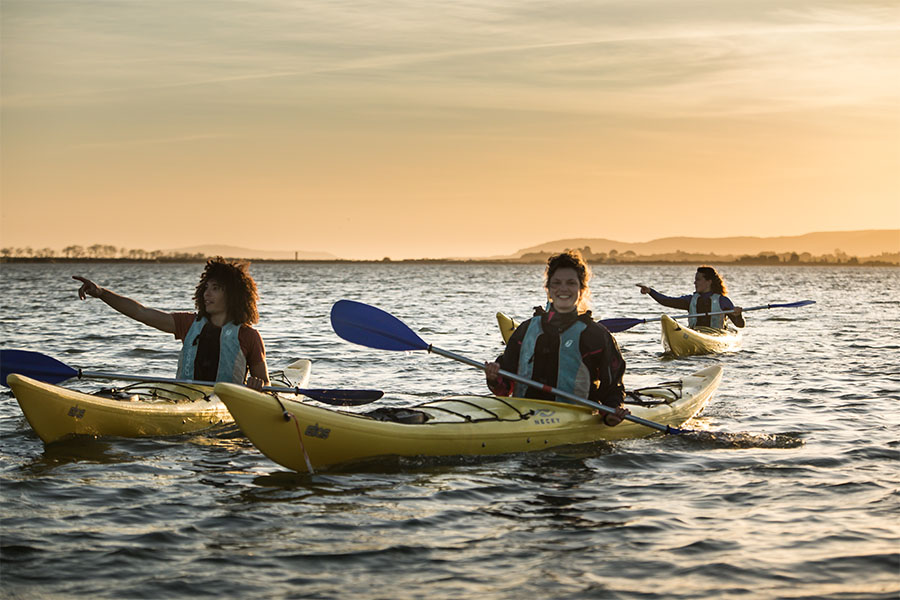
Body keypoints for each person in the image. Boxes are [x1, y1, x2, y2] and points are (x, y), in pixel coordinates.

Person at [73, 257, 269, 388]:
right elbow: (141, 312)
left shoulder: (249, 336)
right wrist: (101, 293)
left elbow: (267, 385)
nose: (206, 294)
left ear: (233, 295)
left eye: (216, 288)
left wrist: (258, 386)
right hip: (184, 400)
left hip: (227, 405)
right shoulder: (188, 323)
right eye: (206, 287)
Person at [484, 250, 630, 427]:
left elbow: (613, 386)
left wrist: (611, 412)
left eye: (571, 283)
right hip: (522, 414)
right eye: (557, 283)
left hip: (574, 419)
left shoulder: (596, 336)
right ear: (549, 290)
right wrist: (494, 376)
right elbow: (503, 386)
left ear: (581, 290)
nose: (563, 289)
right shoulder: (526, 330)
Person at [637, 265, 745, 330]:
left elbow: (739, 325)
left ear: (708, 282)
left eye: (698, 279)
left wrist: (738, 315)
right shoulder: (690, 300)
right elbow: (666, 301)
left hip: (716, 334)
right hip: (695, 333)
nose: (694, 282)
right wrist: (650, 291)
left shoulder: (723, 301)